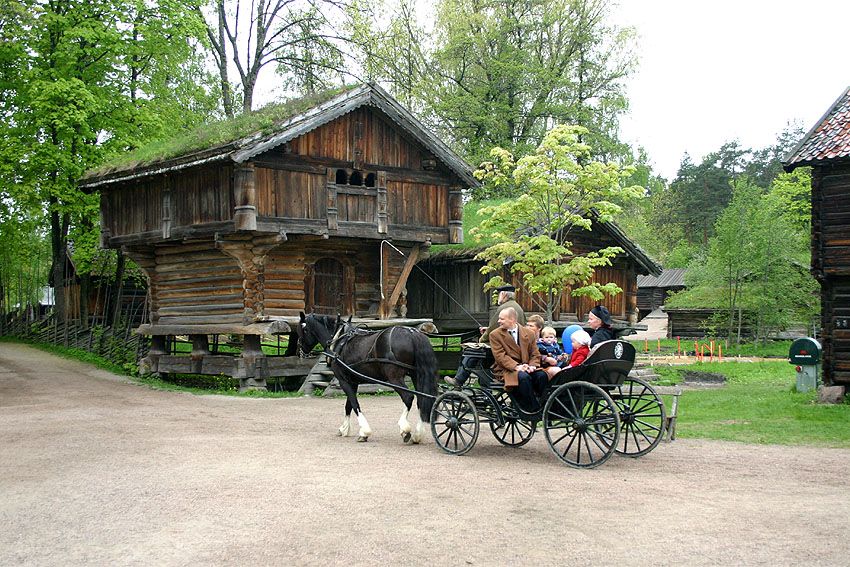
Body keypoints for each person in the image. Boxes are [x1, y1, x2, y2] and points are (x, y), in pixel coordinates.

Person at [447, 284, 527, 387]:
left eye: (499, 294)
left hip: (502, 345)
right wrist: (488, 329)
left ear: (503, 294)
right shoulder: (518, 308)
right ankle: (484, 385)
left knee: (471, 351)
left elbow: (493, 329)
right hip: (513, 345)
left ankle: (458, 380)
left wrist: (482, 339)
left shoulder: (504, 308)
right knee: (483, 357)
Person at [489, 307, 549, 412]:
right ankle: (532, 409)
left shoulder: (529, 333)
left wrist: (532, 366)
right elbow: (500, 357)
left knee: (542, 375)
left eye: (502, 319)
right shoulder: (495, 335)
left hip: (527, 366)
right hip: (507, 369)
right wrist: (517, 367)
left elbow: (535, 353)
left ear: (512, 319)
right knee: (523, 377)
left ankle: (545, 406)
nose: (499, 321)